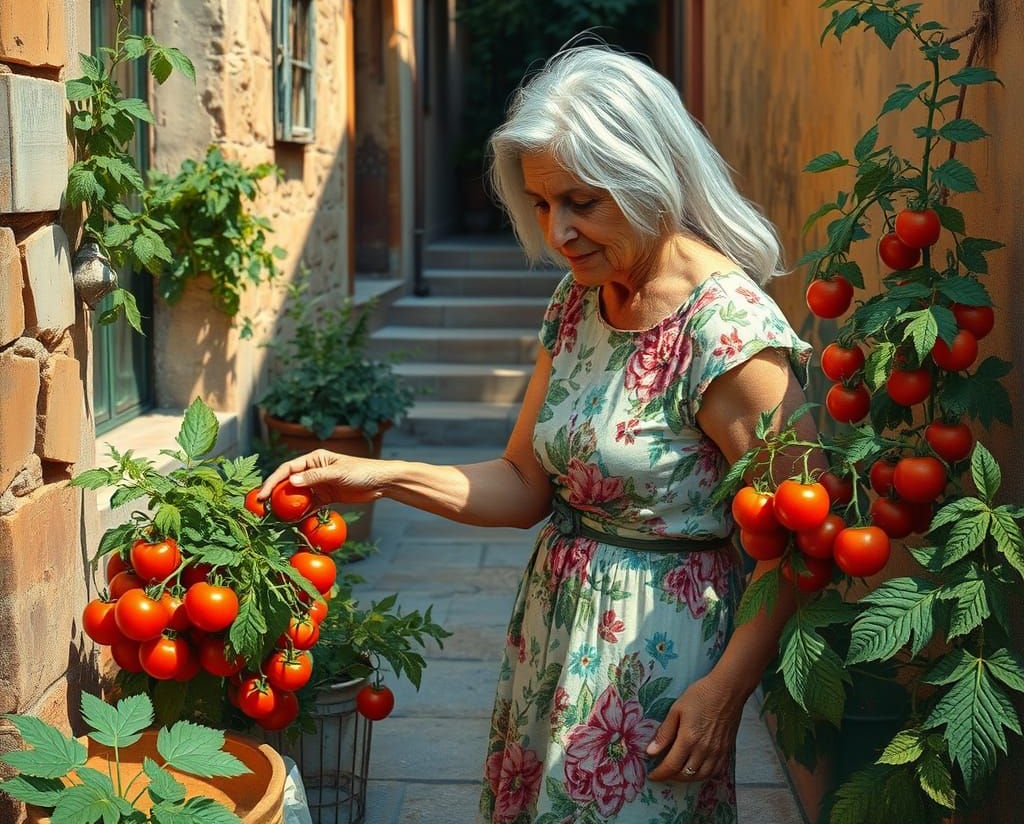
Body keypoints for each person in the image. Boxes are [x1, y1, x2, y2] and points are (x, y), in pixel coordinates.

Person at [259, 46, 819, 823]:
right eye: (542, 204)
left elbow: (804, 530)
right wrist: (379, 476)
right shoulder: (579, 300)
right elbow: (525, 484)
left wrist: (725, 692)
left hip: (657, 657)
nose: (559, 231)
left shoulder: (727, 328)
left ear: (647, 171)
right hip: (552, 635)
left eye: (582, 202)